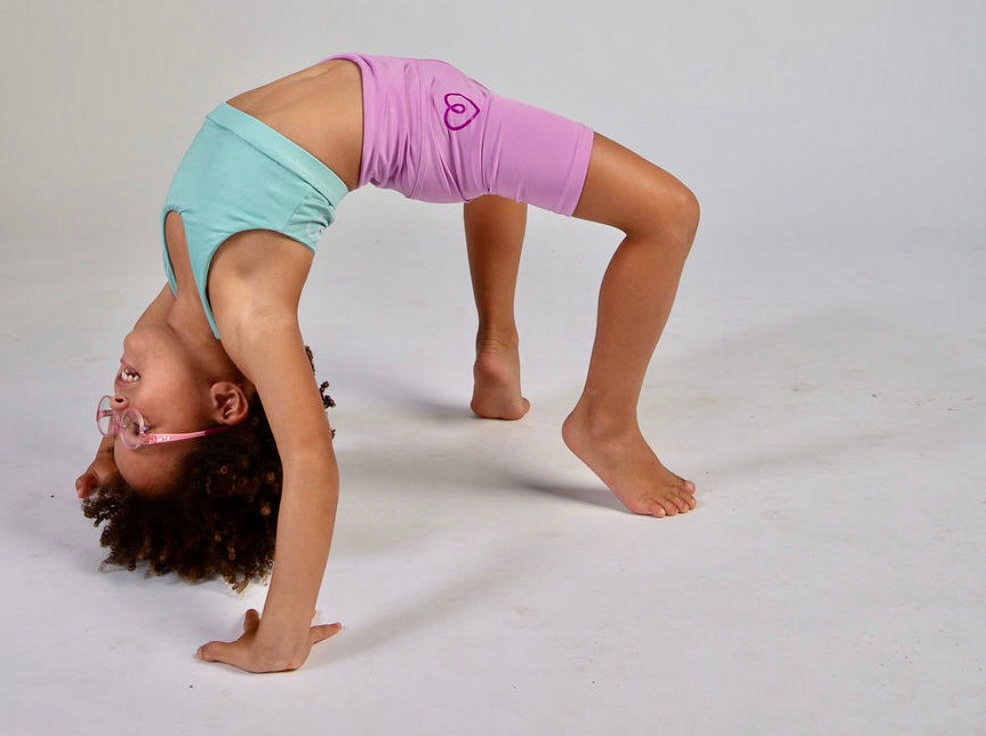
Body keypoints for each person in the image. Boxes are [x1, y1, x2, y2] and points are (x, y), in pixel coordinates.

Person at [75, 53, 700, 673]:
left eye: (115, 421)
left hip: (410, 98)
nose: (119, 407)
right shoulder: (247, 309)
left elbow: (142, 371)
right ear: (226, 403)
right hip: (428, 128)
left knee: (503, 162)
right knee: (669, 214)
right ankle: (605, 424)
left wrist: (113, 460)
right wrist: (282, 634)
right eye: (138, 429)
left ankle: (497, 356)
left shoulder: (181, 300)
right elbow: (309, 460)